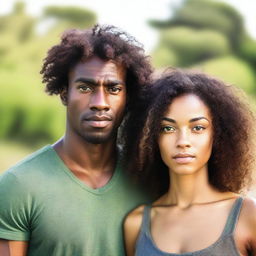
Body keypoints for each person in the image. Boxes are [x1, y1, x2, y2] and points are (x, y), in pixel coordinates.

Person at [0, 24, 153, 256]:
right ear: (64, 93)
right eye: (84, 87)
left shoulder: (148, 178)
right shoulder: (19, 184)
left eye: (113, 89)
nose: (100, 102)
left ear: (127, 97)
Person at [124, 69, 256, 256]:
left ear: (218, 135)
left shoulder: (248, 215)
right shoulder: (136, 224)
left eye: (198, 128)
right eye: (167, 128)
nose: (182, 141)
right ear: (152, 138)